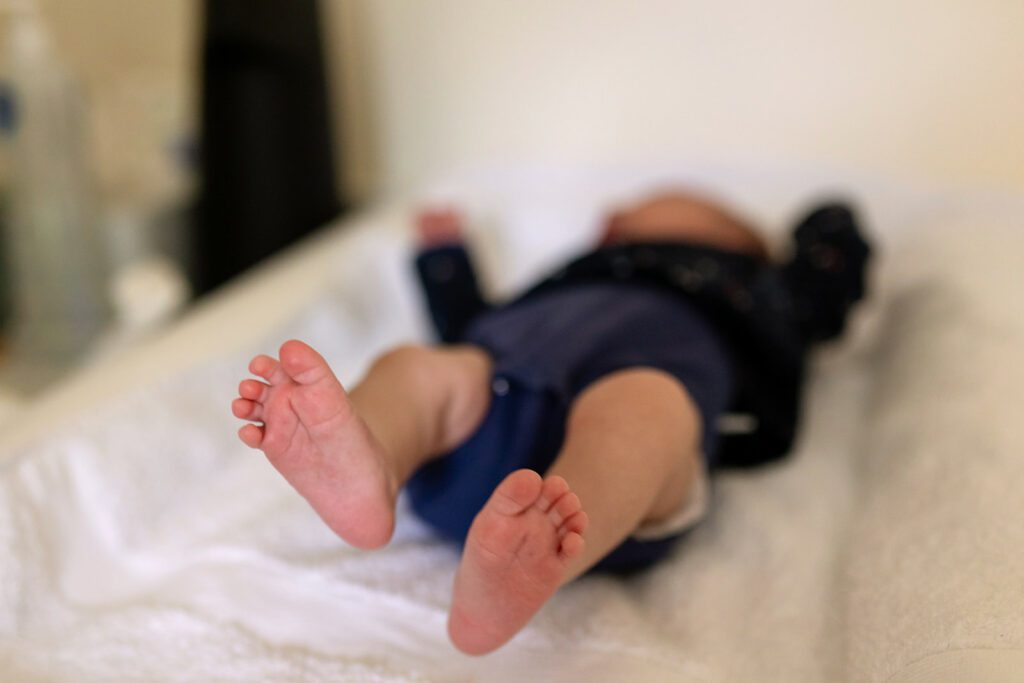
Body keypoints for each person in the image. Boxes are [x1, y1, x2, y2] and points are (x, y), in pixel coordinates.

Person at [230, 190, 871, 655]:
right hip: (482, 415)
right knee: (425, 367)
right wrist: (445, 257)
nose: (616, 216)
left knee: (649, 406)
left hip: (614, 482)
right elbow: (467, 323)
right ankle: (371, 460)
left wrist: (827, 224)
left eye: (662, 205)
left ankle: (541, 556)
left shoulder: (757, 292)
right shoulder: (565, 278)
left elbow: (831, 276)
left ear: (740, 248)